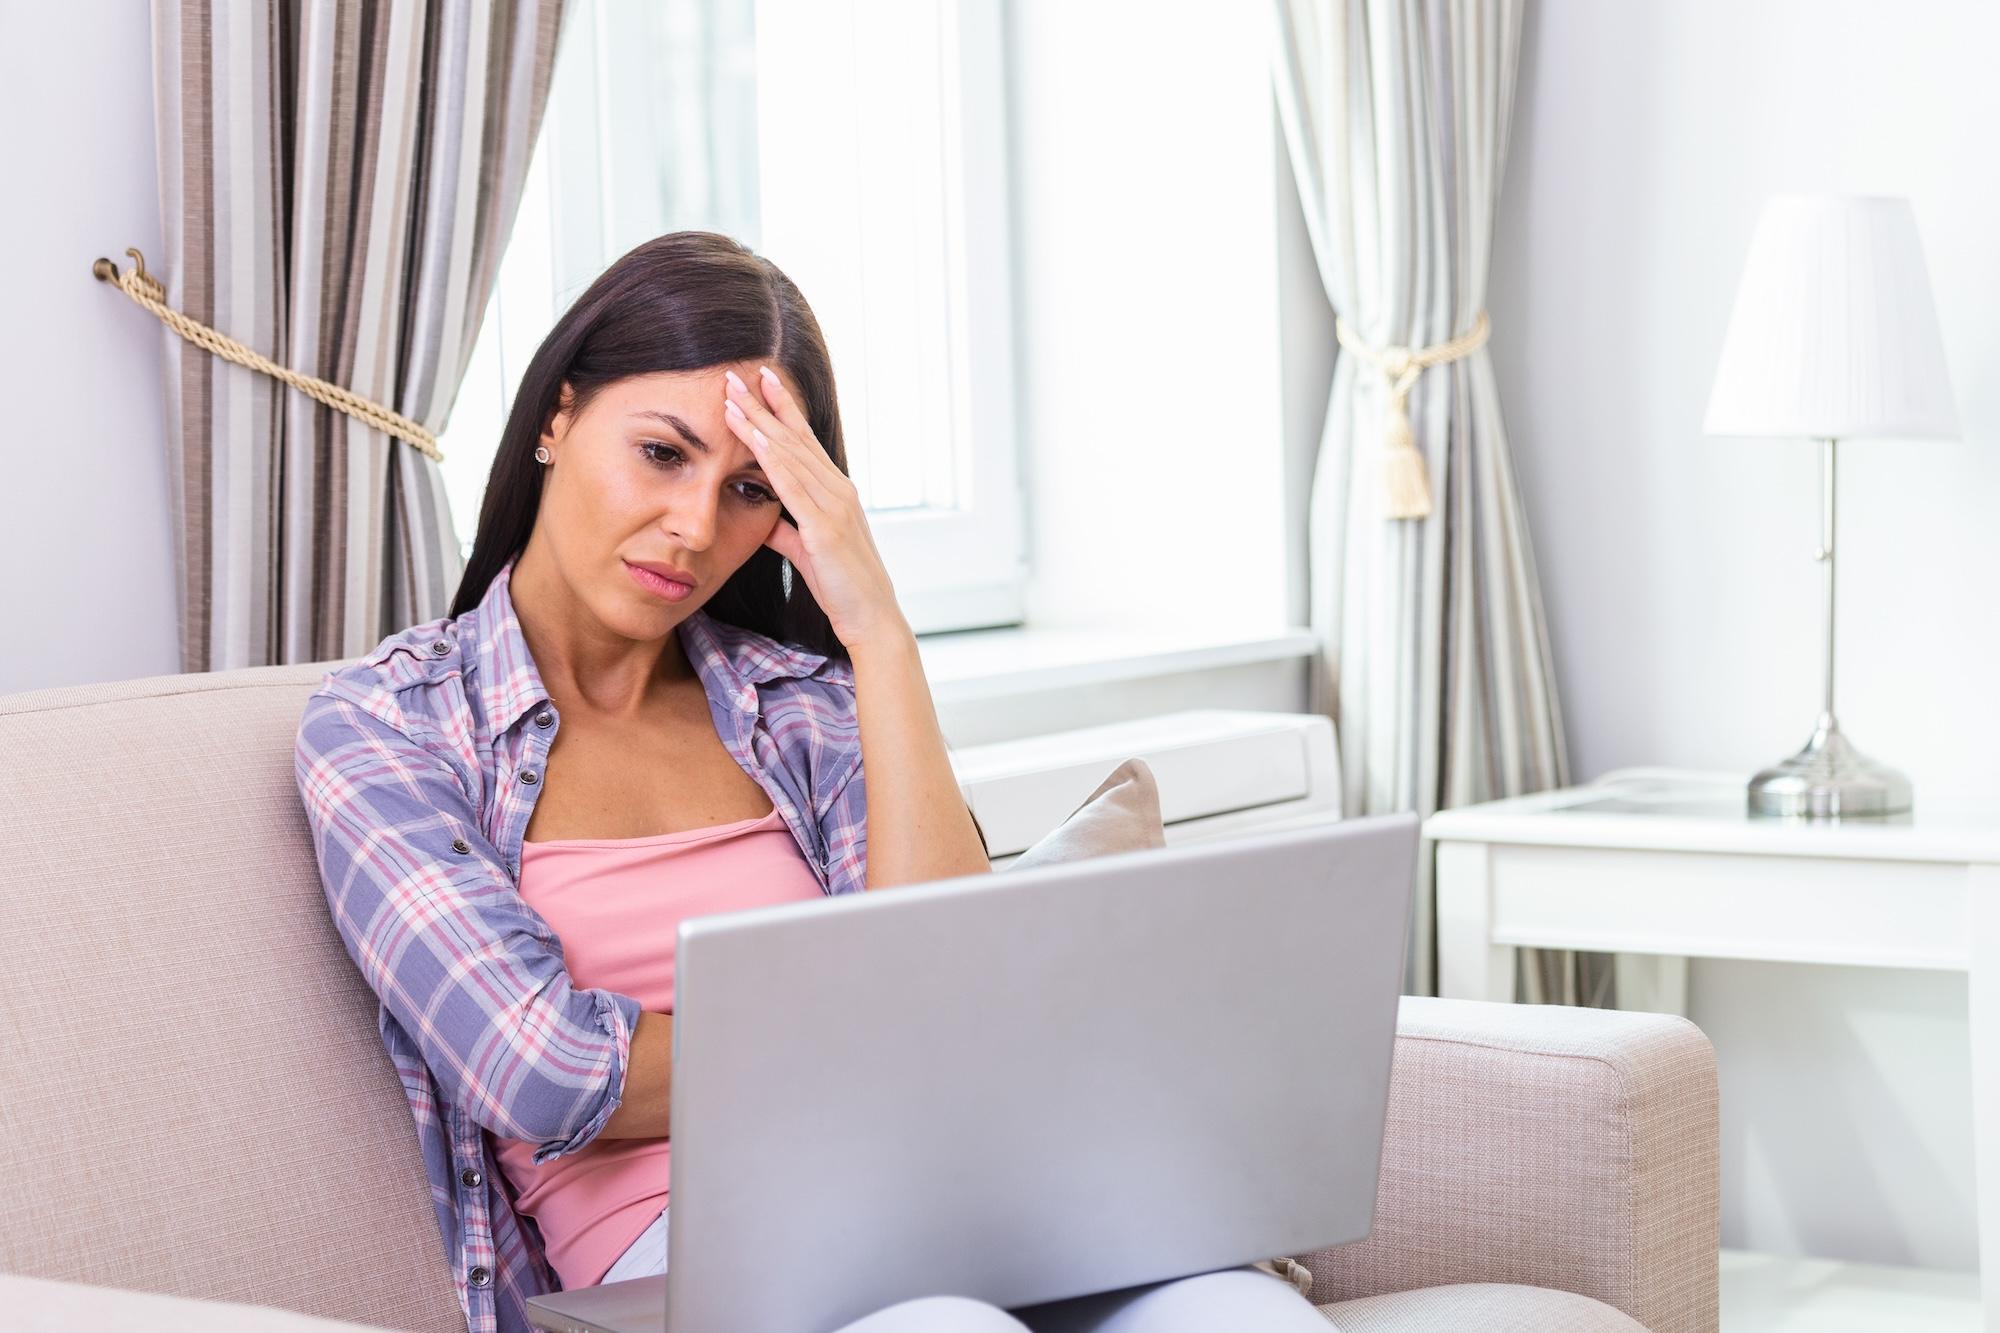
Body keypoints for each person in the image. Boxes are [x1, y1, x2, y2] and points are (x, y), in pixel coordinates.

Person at [293, 230, 1331, 1333]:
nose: (695, 527)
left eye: (748, 488)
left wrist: (877, 631)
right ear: (557, 415)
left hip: (962, 1191)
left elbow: (963, 981)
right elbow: (540, 1073)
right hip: (692, 1258)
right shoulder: (389, 725)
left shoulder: (800, 701)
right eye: (662, 453)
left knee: (1240, 1313)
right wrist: (889, 1023)